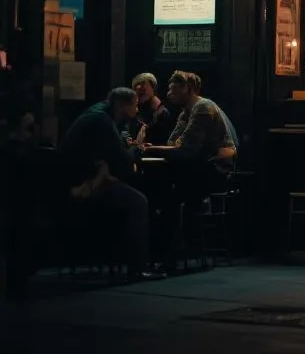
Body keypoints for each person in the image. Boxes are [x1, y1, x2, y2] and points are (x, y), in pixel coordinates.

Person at [59, 88, 162, 280]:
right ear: (122, 105)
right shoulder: (102, 120)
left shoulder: (99, 113)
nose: (137, 109)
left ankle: (121, 259)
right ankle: (137, 267)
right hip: (82, 183)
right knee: (138, 202)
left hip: (76, 177)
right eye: (135, 105)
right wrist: (138, 150)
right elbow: (121, 161)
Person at [145, 71, 237, 204]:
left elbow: (187, 150)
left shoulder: (203, 107)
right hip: (199, 165)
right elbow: (172, 143)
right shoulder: (186, 112)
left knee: (164, 179)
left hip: (215, 168)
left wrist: (152, 149)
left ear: (187, 88)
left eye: (173, 89)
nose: (169, 93)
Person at [129, 72, 177, 147]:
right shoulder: (137, 113)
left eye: (142, 83)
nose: (138, 88)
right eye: (135, 86)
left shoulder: (164, 113)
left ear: (153, 87)